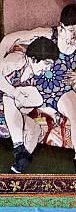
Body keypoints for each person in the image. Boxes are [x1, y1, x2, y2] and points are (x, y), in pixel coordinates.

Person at [0, 4, 76, 174]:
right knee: (14, 103)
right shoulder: (46, 34)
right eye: (72, 30)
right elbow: (7, 40)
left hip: (60, 90)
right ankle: (19, 154)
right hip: (35, 85)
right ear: (62, 27)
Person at [0, 37, 60, 173]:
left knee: (34, 129)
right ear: (33, 58)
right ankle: (18, 147)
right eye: (47, 63)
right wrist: (15, 93)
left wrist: (52, 112)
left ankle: (16, 170)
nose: (48, 68)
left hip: (8, 117)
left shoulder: (32, 78)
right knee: (9, 96)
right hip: (4, 105)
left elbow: (34, 101)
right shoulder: (16, 60)